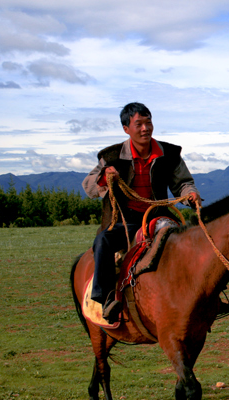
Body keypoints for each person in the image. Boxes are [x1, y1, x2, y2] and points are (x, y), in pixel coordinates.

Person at [83, 102, 202, 323]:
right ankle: (106, 298)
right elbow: (89, 186)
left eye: (148, 123)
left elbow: (184, 183)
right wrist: (105, 177)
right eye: (139, 124)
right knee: (103, 241)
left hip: (159, 217)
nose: (145, 128)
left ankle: (199, 296)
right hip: (124, 220)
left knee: (185, 241)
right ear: (126, 129)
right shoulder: (111, 156)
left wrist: (191, 194)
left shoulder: (169, 153)